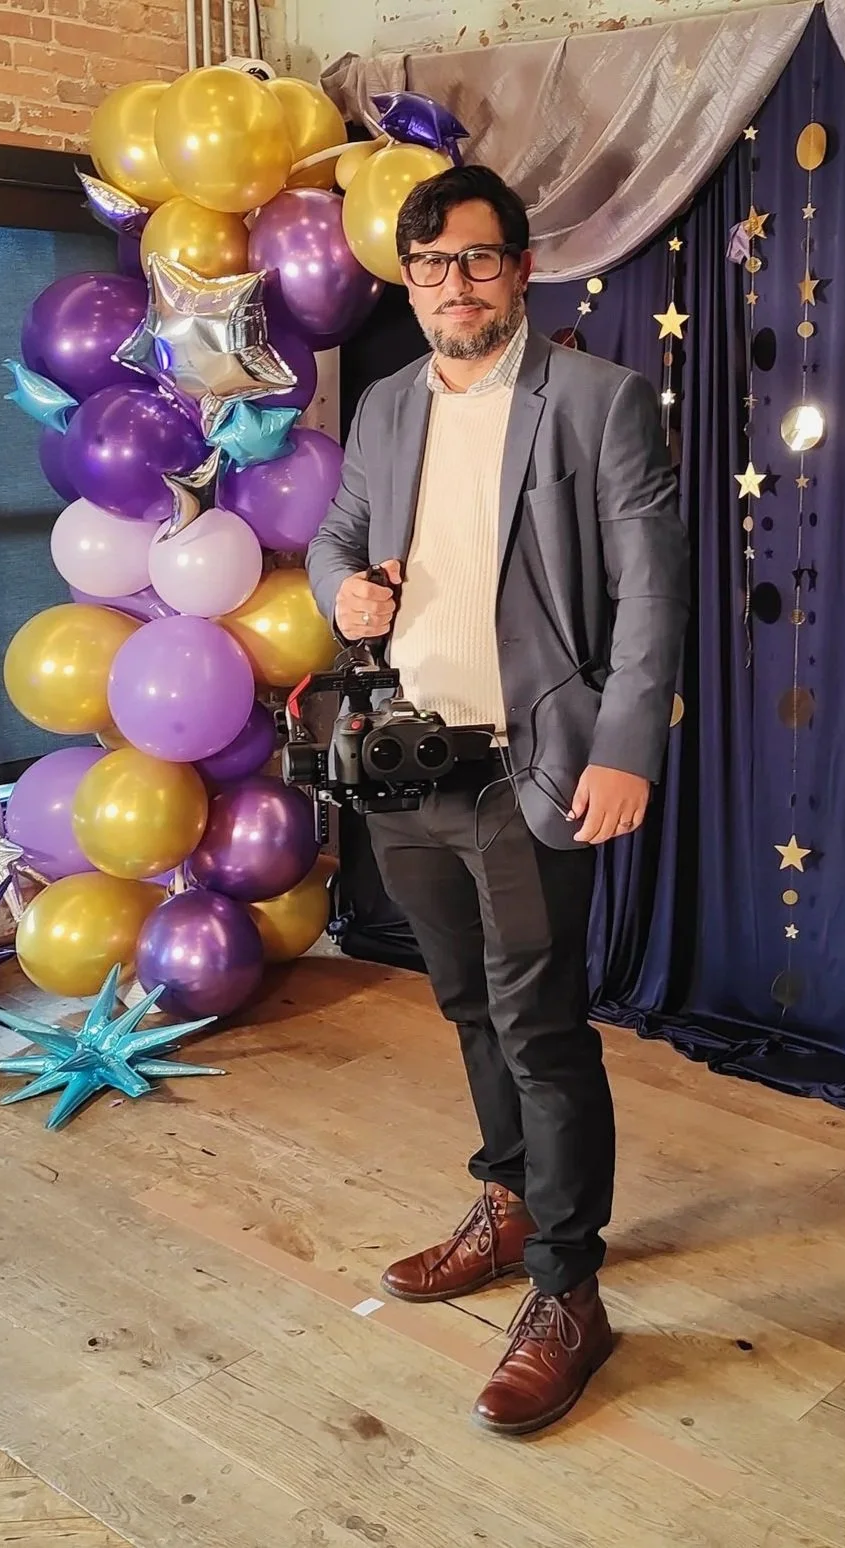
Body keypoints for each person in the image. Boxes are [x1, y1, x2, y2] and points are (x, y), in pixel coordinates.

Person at [307, 164, 688, 1436]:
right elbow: (334, 537)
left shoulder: (597, 400)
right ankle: (508, 1198)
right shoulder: (383, 408)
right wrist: (343, 595)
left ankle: (568, 1292)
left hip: (533, 762)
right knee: (467, 1005)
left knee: (539, 1026)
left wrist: (625, 745)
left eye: (474, 260)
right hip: (404, 766)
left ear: (521, 269)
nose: (449, 286)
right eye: (426, 267)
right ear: (406, 281)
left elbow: (650, 594)